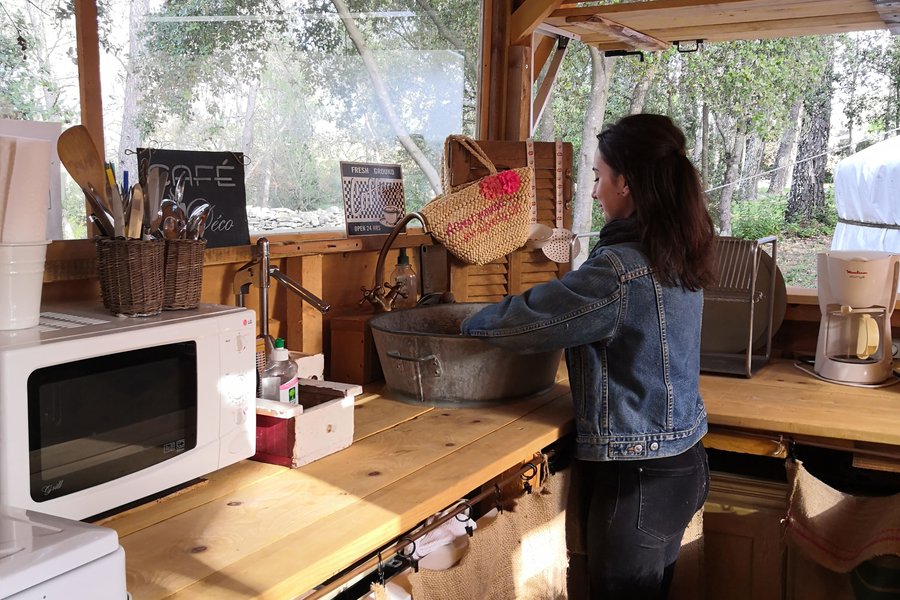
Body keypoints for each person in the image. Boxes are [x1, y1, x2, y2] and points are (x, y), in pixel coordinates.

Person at [461, 113, 717, 599]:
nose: (595, 192)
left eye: (599, 177)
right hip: (683, 463)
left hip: (638, 479)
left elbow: (532, 319)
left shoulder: (619, 269)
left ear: (627, 182)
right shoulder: (677, 248)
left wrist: (461, 322)